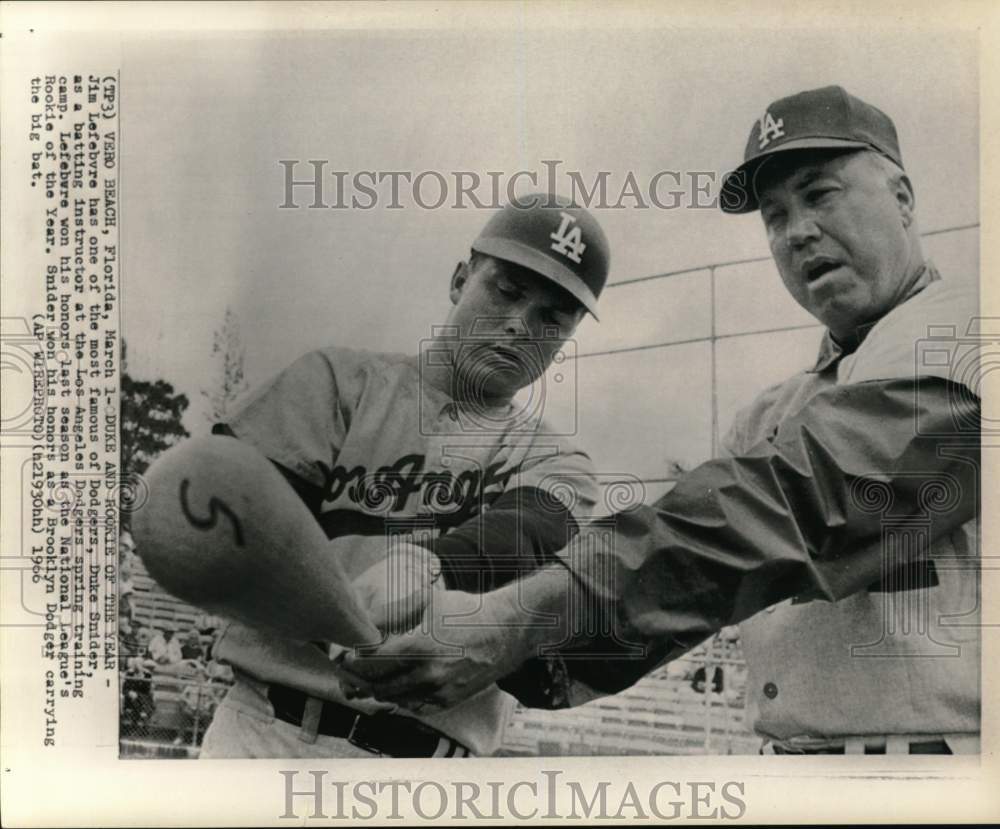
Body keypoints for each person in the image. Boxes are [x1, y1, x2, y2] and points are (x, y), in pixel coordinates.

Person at [343, 86, 981, 756]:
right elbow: (685, 590)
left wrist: (513, 622)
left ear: (902, 196)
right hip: (793, 764)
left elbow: (801, 502)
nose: (795, 231)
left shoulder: (968, 324)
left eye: (819, 194)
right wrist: (479, 642)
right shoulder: (772, 412)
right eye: (774, 215)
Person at [197, 193, 610, 758]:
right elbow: (234, 528)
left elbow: (525, 536)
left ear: (567, 338)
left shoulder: (558, 462)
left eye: (551, 317)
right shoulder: (335, 385)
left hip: (427, 772)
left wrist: (424, 570)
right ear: (460, 279)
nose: (519, 325)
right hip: (270, 734)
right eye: (507, 291)